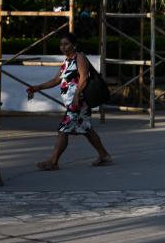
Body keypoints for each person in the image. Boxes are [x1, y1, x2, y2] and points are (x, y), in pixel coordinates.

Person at [27, 33, 112, 170]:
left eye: (66, 44)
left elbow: (84, 77)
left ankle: (53, 161)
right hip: (73, 102)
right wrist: (38, 87)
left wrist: (76, 95)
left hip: (78, 102)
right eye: (61, 44)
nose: (63, 47)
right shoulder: (66, 62)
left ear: (74, 45)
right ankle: (104, 155)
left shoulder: (79, 57)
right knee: (86, 129)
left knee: (63, 129)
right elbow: (56, 80)